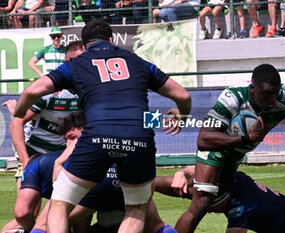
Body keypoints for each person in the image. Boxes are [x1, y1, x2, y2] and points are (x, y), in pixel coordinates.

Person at [12, 20, 191, 233]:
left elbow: (32, 92)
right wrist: (182, 116)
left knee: (60, 203)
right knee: (136, 210)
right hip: (139, 137)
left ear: (86, 45)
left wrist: (19, 112)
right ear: (112, 40)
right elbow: (183, 95)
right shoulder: (137, 61)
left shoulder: (76, 64)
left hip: (97, 137)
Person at [175, 63, 285, 233]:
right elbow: (204, 139)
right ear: (253, 88)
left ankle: (157, 184)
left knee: (223, 196)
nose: (271, 100)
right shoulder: (232, 97)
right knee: (203, 201)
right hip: (216, 148)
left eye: (275, 94)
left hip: (235, 155)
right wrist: (245, 139)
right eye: (265, 94)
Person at [2, 41, 83, 190]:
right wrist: (26, 160)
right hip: (33, 149)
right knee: (24, 211)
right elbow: (17, 122)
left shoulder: (87, 91)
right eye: (54, 36)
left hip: (60, 153)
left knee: (62, 202)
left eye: (59, 36)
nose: (57, 39)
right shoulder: (50, 91)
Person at [156, 167, 285, 233]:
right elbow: (200, 171)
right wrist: (182, 173)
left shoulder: (240, 206)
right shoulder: (232, 179)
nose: (208, 210)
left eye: (209, 207)